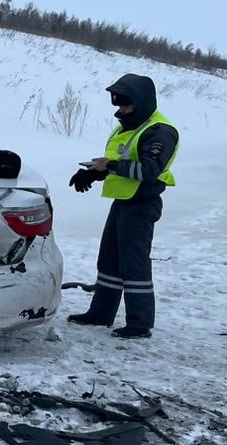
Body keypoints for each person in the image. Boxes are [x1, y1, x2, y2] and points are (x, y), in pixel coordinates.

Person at [67, 74, 177, 339]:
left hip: (142, 204)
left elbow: (149, 170)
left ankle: (140, 324)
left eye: (125, 106)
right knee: (109, 260)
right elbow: (119, 160)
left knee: (134, 264)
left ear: (140, 103)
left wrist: (111, 166)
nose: (119, 111)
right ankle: (101, 313)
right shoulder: (127, 127)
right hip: (123, 202)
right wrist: (94, 173)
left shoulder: (160, 132)